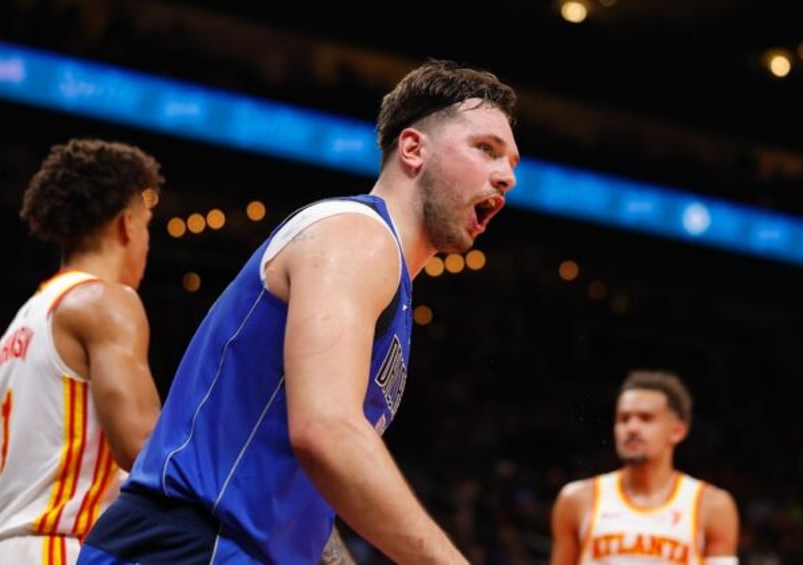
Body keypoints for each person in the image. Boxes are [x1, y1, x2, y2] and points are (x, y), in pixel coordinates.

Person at [77, 58, 520, 564]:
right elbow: (325, 432)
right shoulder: (357, 234)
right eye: (486, 149)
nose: (505, 176)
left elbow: (302, 480)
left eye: (511, 163)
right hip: (190, 545)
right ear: (413, 149)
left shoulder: (384, 272)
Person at [0, 137, 165, 564]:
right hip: (60, 547)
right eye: (148, 225)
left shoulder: (20, 326)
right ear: (128, 225)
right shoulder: (107, 301)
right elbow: (143, 447)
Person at [549, 369, 740, 565]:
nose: (631, 428)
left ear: (677, 430)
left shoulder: (713, 505)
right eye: (623, 419)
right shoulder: (576, 499)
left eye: (646, 418)